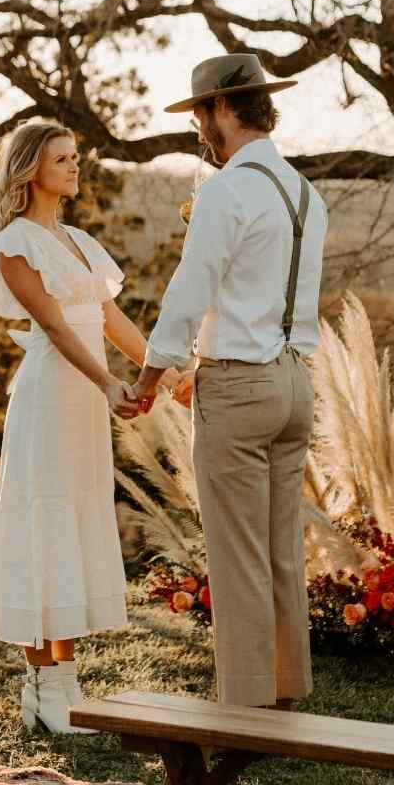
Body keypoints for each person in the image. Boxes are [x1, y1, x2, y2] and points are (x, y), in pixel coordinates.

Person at [117, 52, 328, 711]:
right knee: (282, 550)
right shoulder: (305, 192)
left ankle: (245, 711)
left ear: (221, 109)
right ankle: (286, 693)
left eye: (200, 115)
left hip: (238, 387)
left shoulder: (226, 191)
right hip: (296, 384)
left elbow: (188, 294)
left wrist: (147, 379)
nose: (199, 130)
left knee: (238, 557)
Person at [0, 121, 186, 733]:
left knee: (74, 525)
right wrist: (108, 383)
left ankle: (65, 680)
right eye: (62, 159)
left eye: (74, 158)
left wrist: (166, 376)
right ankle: (41, 686)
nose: (74, 167)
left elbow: (111, 320)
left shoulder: (80, 242)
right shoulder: (14, 244)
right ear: (31, 170)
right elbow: (57, 328)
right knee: (43, 525)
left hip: (85, 401)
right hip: (50, 399)